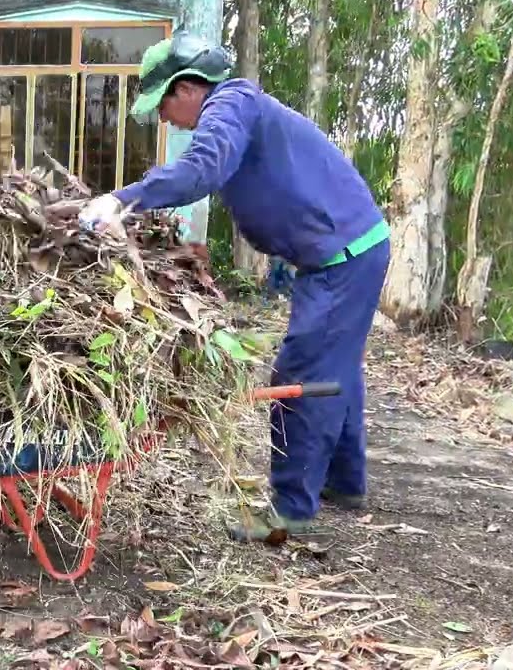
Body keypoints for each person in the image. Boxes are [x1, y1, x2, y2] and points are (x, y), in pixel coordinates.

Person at [79, 33, 391, 542]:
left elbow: (202, 169)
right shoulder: (241, 109)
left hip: (344, 258)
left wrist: (122, 201)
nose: (163, 120)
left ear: (186, 88)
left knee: (301, 374)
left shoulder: (231, 103)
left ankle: (290, 510)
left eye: (162, 105)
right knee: (336, 365)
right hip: (345, 252)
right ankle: (345, 481)